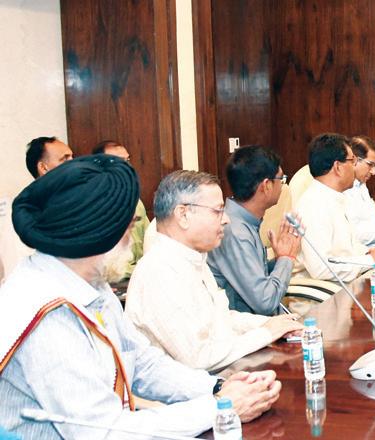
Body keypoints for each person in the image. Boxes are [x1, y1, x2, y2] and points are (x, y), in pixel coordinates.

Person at [0, 156, 281, 439]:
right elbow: (103, 433)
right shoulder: (46, 313)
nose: (132, 238)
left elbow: (142, 362)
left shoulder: (90, 283)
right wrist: (219, 407)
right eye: (128, 226)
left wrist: (216, 388)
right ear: (97, 233)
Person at [126, 170, 304, 371]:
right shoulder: (160, 272)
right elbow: (197, 358)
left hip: (220, 375)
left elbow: (220, 321)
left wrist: (271, 325)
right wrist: (266, 334)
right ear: (183, 215)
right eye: (218, 211)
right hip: (193, 386)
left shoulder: (193, 259)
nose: (226, 219)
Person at [207, 145, 300, 315]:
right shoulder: (235, 232)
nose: (283, 186)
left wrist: (279, 259)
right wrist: (286, 259)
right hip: (246, 327)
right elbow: (265, 302)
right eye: (281, 179)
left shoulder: (244, 221)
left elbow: (254, 277)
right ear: (266, 185)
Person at [294, 133, 375, 282]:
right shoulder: (314, 205)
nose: (355, 167)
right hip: (325, 292)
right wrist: (371, 259)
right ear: (337, 167)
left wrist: (371, 252)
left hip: (348, 282)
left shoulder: (334, 197)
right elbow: (322, 269)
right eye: (352, 161)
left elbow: (348, 247)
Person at [92, 140, 150, 283]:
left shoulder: (136, 201)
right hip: (113, 279)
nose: (127, 167)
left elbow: (150, 240)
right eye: (119, 161)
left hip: (141, 276)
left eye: (127, 160)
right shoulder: (94, 204)